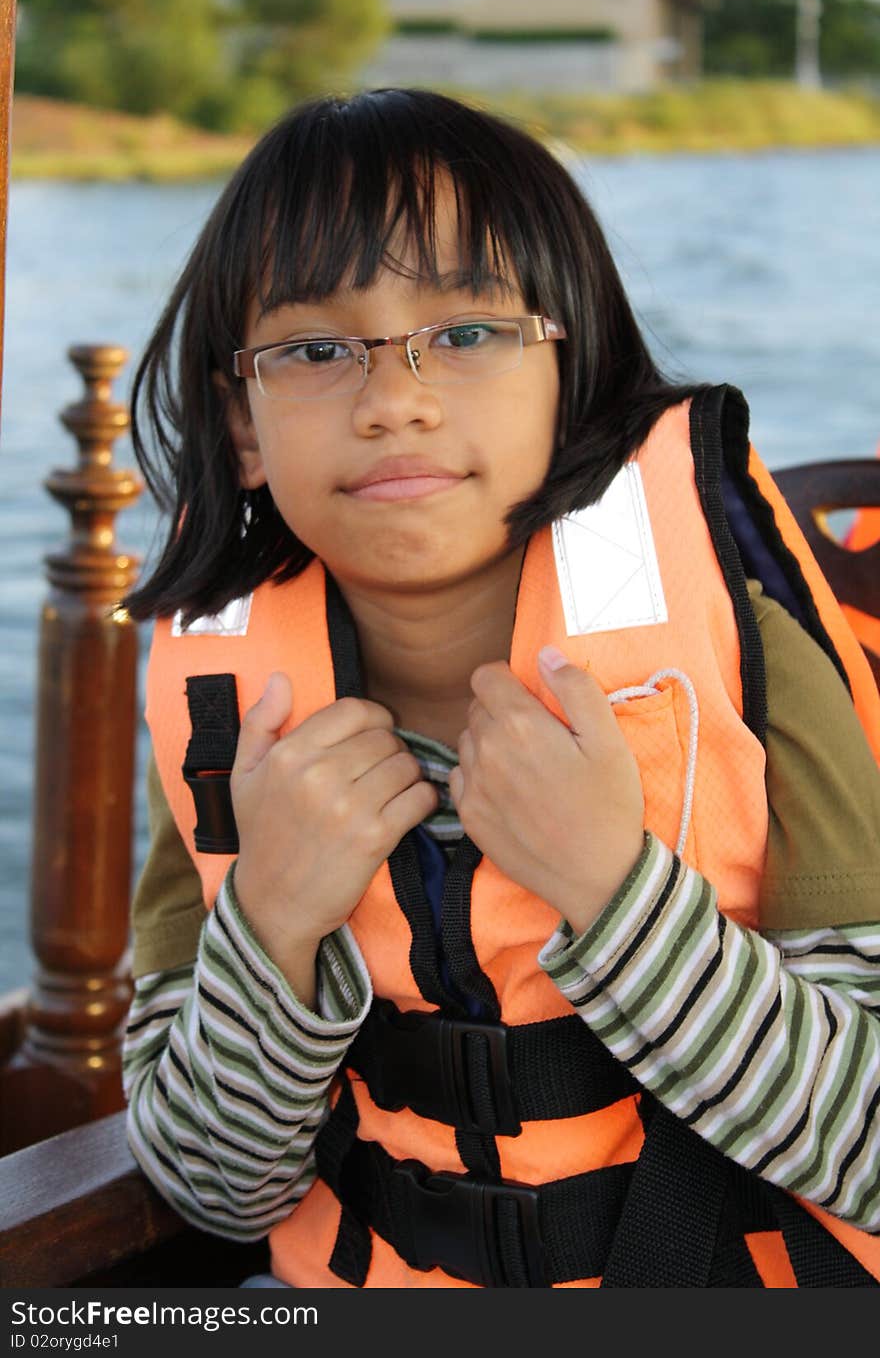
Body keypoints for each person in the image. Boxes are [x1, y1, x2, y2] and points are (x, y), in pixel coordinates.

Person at [122, 87, 880, 1289]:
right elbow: (212, 1188)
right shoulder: (234, 717)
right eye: (315, 350)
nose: (394, 399)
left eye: (467, 333)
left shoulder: (746, 655)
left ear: (570, 368)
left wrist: (611, 890)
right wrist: (270, 920)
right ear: (243, 424)